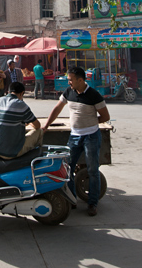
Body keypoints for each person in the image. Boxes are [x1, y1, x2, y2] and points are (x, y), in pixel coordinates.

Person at [43, 66, 111, 216]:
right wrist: (46, 125)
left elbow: (105, 117)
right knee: (67, 168)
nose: (69, 83)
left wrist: (90, 122)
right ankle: (72, 198)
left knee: (93, 170)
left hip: (91, 136)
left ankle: (92, 203)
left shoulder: (94, 95)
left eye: (71, 80)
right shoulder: (68, 92)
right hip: (74, 136)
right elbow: (57, 108)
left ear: (80, 80)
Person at [0, 82, 43, 159]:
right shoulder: (21, 105)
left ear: (9, 91)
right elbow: (37, 125)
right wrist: (27, 122)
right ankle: (35, 160)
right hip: (11, 153)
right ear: (22, 93)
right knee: (39, 131)